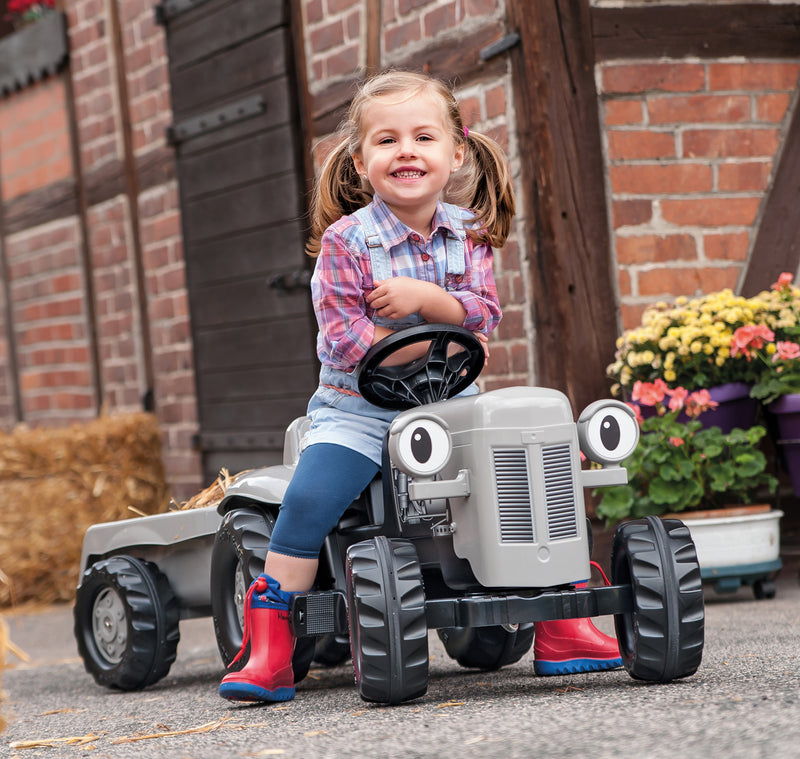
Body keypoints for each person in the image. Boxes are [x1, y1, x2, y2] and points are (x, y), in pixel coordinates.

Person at [219, 70, 619, 704]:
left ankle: (564, 620)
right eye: (386, 140)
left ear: (454, 153)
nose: (406, 151)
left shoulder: (468, 232)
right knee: (310, 500)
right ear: (360, 161)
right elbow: (344, 341)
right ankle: (269, 644)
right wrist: (429, 328)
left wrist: (427, 300)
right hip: (360, 408)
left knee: (532, 471)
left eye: (423, 136)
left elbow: (485, 314)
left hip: (452, 404)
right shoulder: (345, 243)